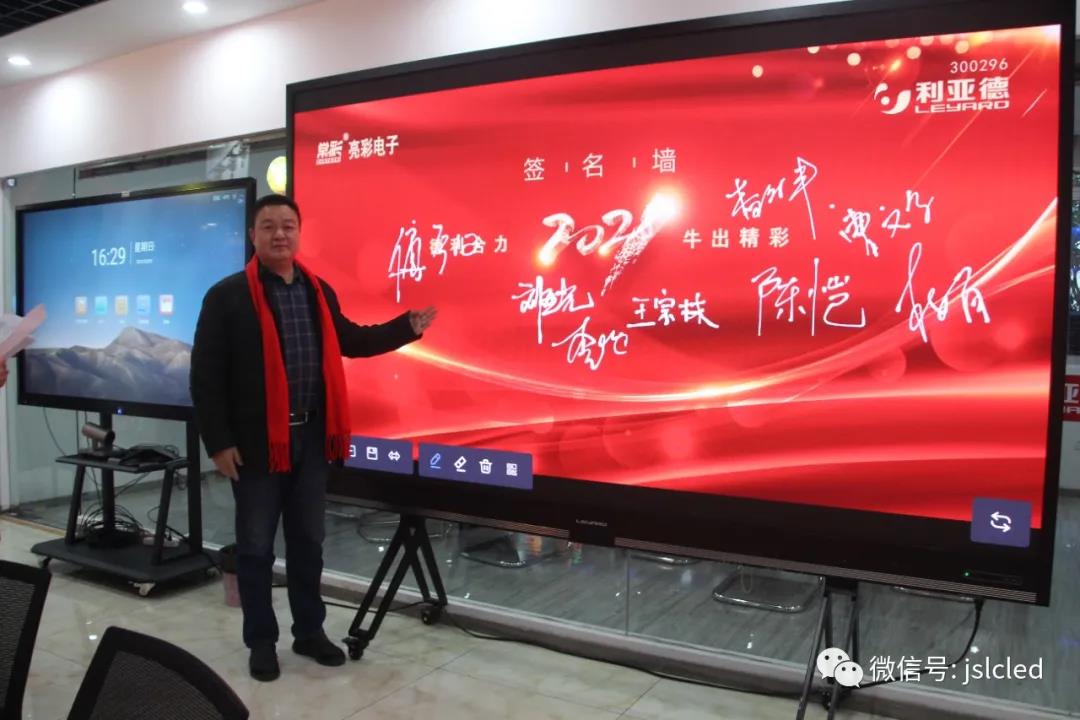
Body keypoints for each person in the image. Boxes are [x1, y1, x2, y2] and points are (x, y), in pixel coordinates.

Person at [190, 194, 435, 682]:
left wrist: (404, 328)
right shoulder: (227, 296)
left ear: (299, 233)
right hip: (258, 447)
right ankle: (262, 642)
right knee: (255, 548)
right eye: (268, 226)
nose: (279, 234)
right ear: (253, 236)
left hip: (311, 441)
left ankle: (309, 632)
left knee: (308, 544)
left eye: (288, 225)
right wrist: (218, 442)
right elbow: (206, 376)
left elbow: (351, 340)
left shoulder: (318, 291)